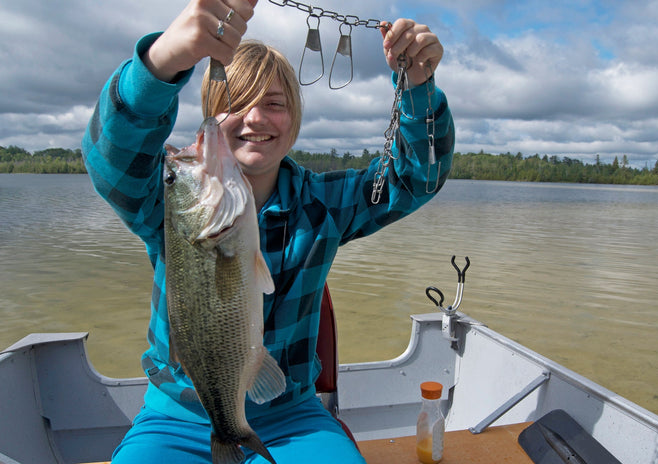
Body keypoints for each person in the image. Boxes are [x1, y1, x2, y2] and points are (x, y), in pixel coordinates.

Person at [81, 0, 455, 462]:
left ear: (293, 121)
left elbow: (415, 178)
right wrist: (162, 62)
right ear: (212, 119)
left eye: (274, 105)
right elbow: (110, 160)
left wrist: (416, 87)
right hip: (177, 415)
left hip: (292, 414)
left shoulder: (324, 205)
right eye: (237, 106)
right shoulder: (164, 201)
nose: (256, 118)